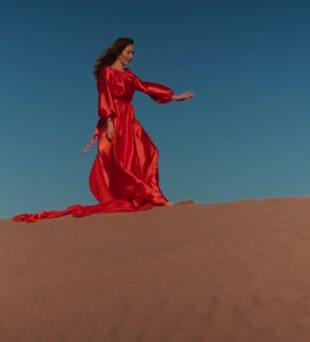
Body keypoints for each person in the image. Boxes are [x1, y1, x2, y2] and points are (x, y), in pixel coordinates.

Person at [12, 37, 193, 222]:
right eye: (128, 52)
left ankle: (152, 196)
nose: (131, 56)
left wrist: (173, 97)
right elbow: (104, 97)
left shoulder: (129, 75)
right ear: (119, 51)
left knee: (150, 152)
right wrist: (109, 122)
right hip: (114, 120)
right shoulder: (107, 73)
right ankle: (146, 197)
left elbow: (146, 87)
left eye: (133, 53)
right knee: (122, 162)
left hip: (129, 119)